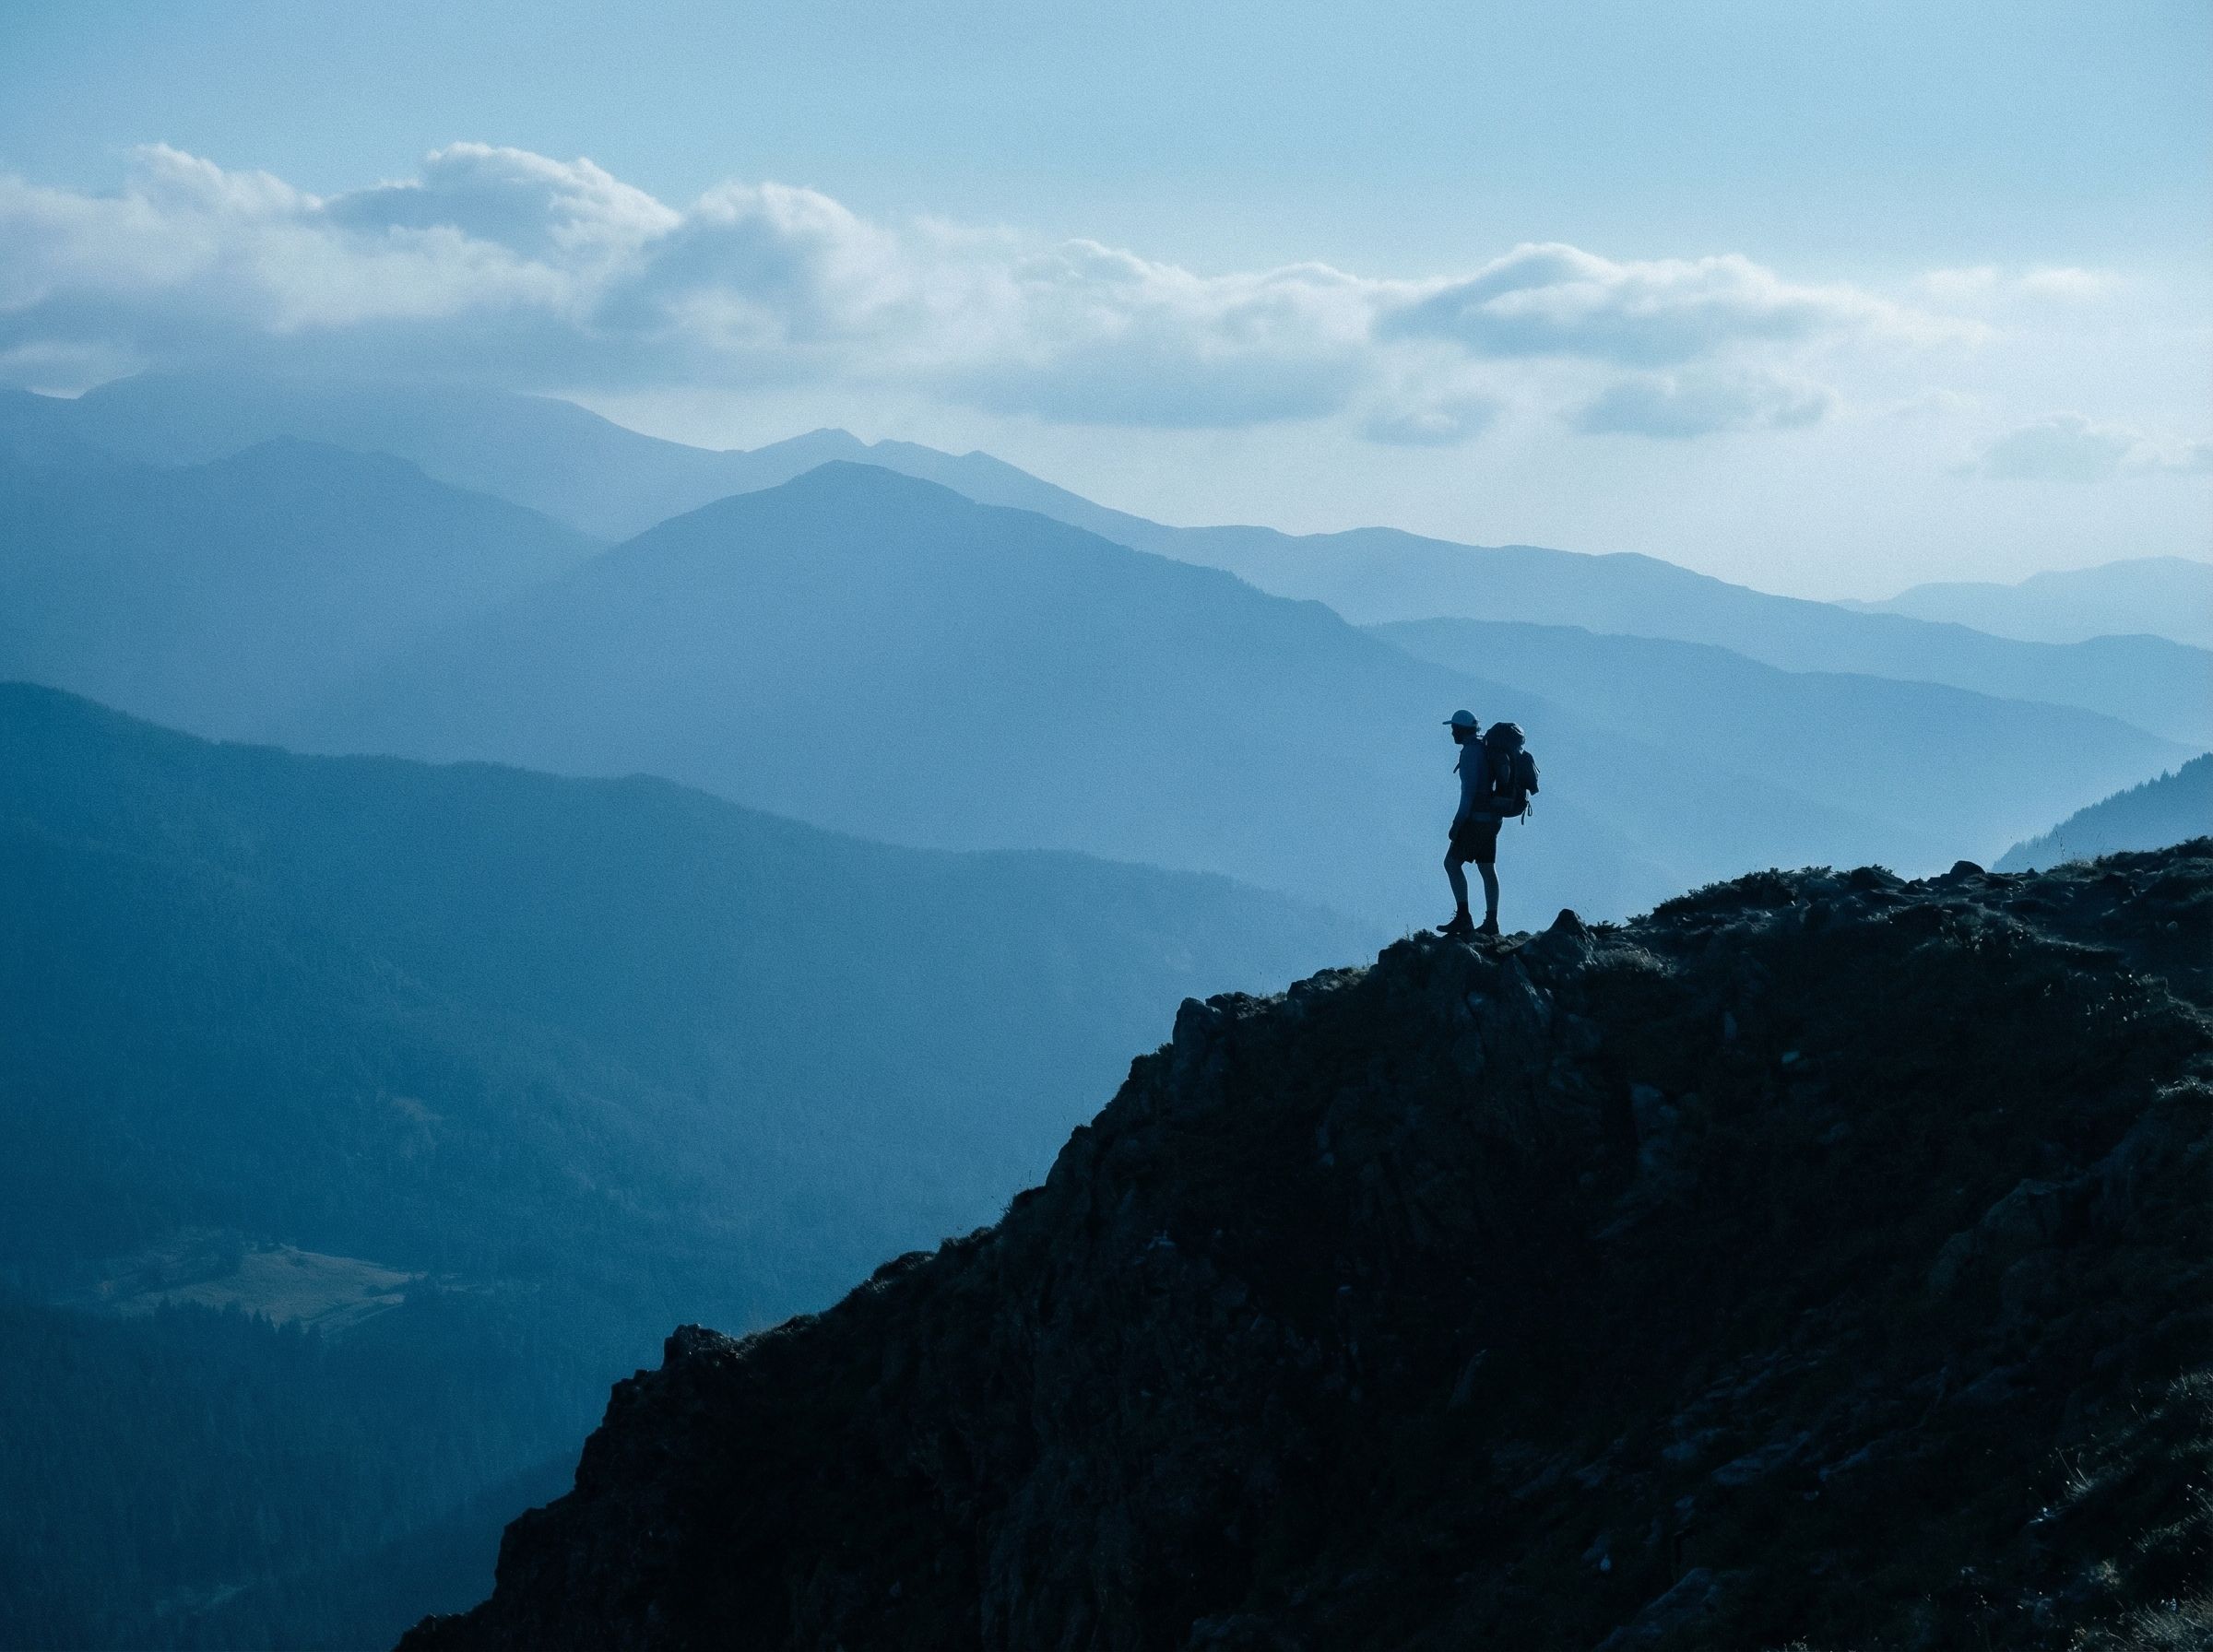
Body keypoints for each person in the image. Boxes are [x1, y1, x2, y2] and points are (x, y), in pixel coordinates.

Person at [1439, 709, 1501, 938]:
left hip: (1475, 821)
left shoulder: (1469, 754)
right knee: (1487, 868)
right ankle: (1492, 922)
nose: (1452, 733)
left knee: (1452, 864)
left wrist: (1457, 824)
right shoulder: (1485, 748)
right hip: (1493, 819)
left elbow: (1468, 793)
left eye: (1454, 729)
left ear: (1461, 730)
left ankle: (1463, 917)